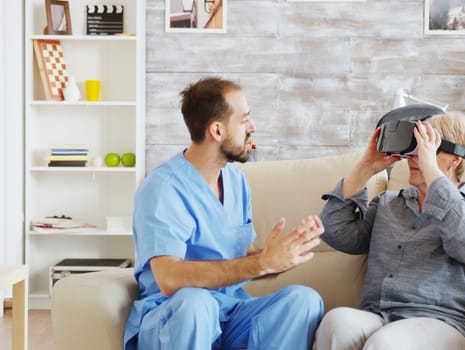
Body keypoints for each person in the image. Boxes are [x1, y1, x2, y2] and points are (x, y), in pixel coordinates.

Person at [123, 77, 325, 350]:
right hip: (177, 316)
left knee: (304, 301)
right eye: (244, 120)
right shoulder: (162, 188)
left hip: (229, 312)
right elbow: (169, 279)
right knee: (196, 302)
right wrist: (261, 263)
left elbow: (243, 258)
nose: (252, 127)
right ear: (217, 130)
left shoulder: (235, 180)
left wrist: (281, 256)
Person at [315, 111, 465, 350]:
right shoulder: (388, 204)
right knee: (336, 323)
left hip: (445, 323)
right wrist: (366, 167)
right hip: (380, 316)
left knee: (386, 343)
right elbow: (334, 232)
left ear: (455, 160)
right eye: (415, 149)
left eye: (426, 149)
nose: (415, 158)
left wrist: (431, 170)